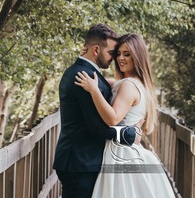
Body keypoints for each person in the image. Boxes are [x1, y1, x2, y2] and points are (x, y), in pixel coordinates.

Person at [75, 33, 176, 197]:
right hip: (126, 149)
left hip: (121, 153)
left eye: (127, 54)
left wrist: (94, 91)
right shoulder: (133, 83)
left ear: (137, 57)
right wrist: (88, 60)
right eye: (118, 54)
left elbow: (113, 118)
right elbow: (105, 82)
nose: (121, 58)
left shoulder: (128, 86)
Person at [53, 24, 141, 198]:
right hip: (79, 163)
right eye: (111, 53)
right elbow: (96, 126)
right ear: (95, 50)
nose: (114, 58)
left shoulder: (86, 72)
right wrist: (130, 134)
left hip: (81, 161)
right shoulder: (83, 76)